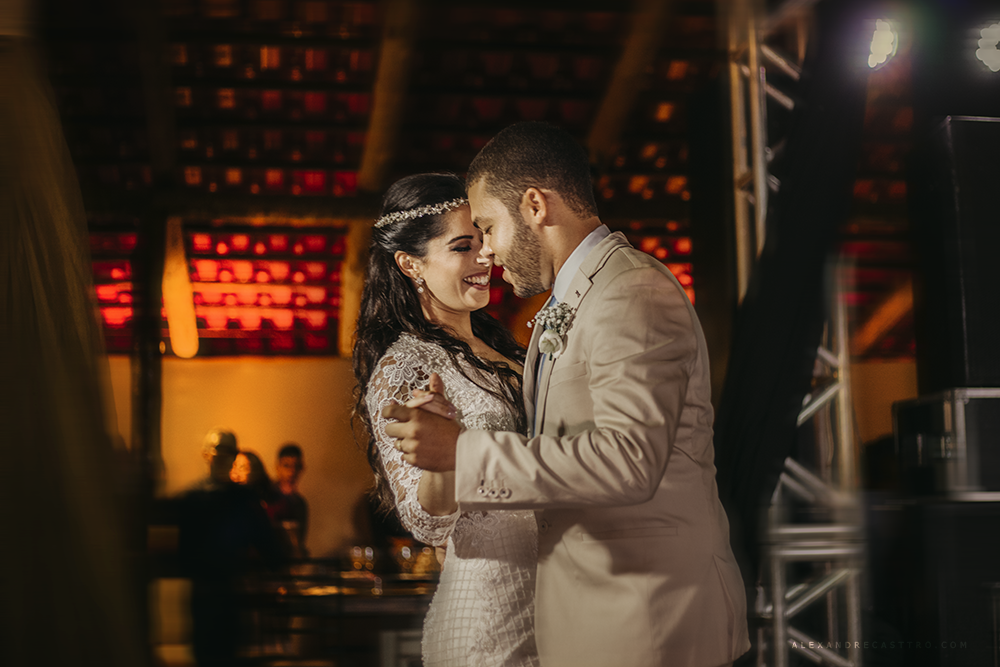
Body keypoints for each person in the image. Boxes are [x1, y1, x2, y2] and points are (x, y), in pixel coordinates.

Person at [384, 123, 750, 667]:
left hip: (651, 622)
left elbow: (630, 461)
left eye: (487, 226)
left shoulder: (632, 291)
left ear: (534, 205)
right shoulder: (580, 297)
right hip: (592, 621)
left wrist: (462, 453)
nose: (486, 250)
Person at [353, 172, 539, 666]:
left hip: (557, 598)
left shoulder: (505, 351)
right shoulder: (406, 366)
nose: (485, 258)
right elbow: (425, 522)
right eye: (462, 246)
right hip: (489, 613)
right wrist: (443, 454)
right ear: (411, 263)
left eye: (484, 241)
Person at [267, 443, 309, 559]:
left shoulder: (300, 503)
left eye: (296, 466)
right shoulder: (266, 496)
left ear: (301, 468)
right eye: (286, 466)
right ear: (277, 467)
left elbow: (300, 540)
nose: (292, 472)